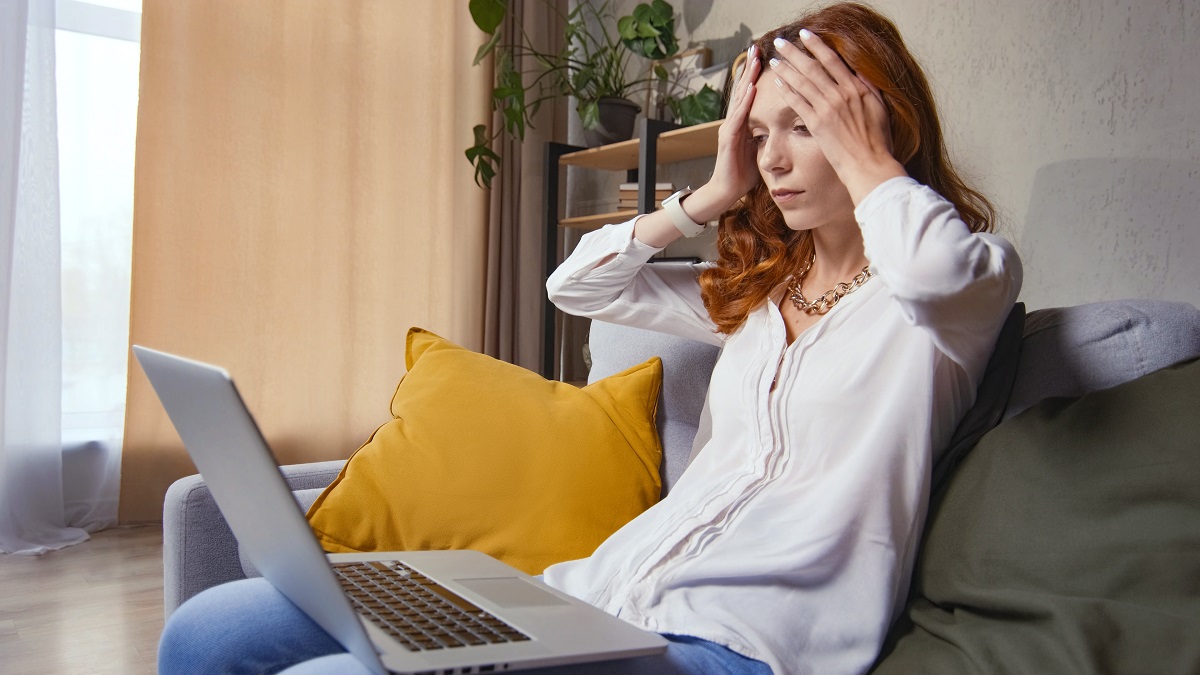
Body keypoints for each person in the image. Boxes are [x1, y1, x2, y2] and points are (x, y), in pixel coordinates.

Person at [157, 3, 1021, 674]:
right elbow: (576, 287)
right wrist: (710, 193)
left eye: (808, 126)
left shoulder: (949, 301)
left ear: (878, 123)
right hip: (591, 599)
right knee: (211, 626)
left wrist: (872, 160)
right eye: (760, 133)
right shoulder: (760, 296)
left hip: (733, 646)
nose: (775, 159)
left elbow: (939, 271)